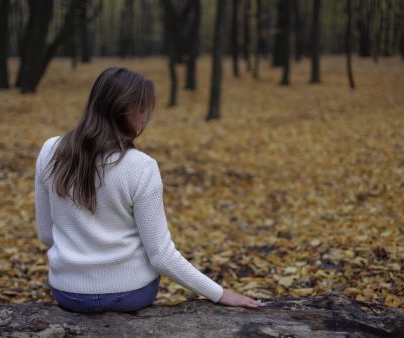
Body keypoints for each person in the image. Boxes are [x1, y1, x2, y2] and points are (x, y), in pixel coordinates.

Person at [35, 67, 265, 313]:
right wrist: (220, 294)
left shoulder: (51, 151)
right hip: (129, 294)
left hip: (69, 294)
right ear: (122, 109)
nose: (147, 118)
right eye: (143, 109)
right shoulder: (141, 167)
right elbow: (161, 256)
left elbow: (46, 235)